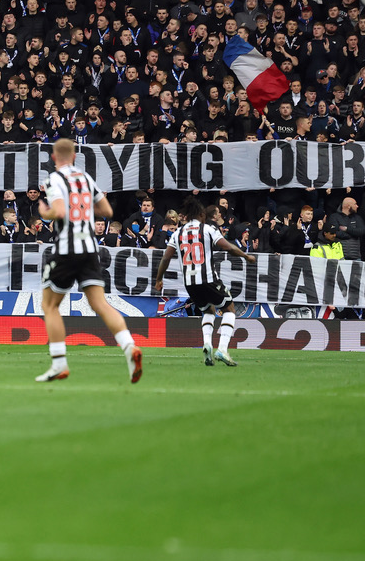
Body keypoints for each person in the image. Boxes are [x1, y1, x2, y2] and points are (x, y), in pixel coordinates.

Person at [35, 138, 141, 384]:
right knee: (100, 303)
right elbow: (106, 211)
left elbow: (59, 211)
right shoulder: (85, 179)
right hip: (90, 248)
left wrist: (44, 212)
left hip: (66, 248)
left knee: (50, 306)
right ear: (74, 157)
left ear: (54, 158)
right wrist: (83, 210)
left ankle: (59, 363)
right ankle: (129, 347)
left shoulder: (53, 179)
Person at [155, 196, 257, 367]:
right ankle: (222, 349)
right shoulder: (207, 229)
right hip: (208, 278)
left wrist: (159, 279)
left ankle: (207, 344)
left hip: (190, 283)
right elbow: (228, 246)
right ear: (201, 214)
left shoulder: (178, 233)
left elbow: (165, 258)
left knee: (208, 311)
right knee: (229, 309)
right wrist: (246, 256)